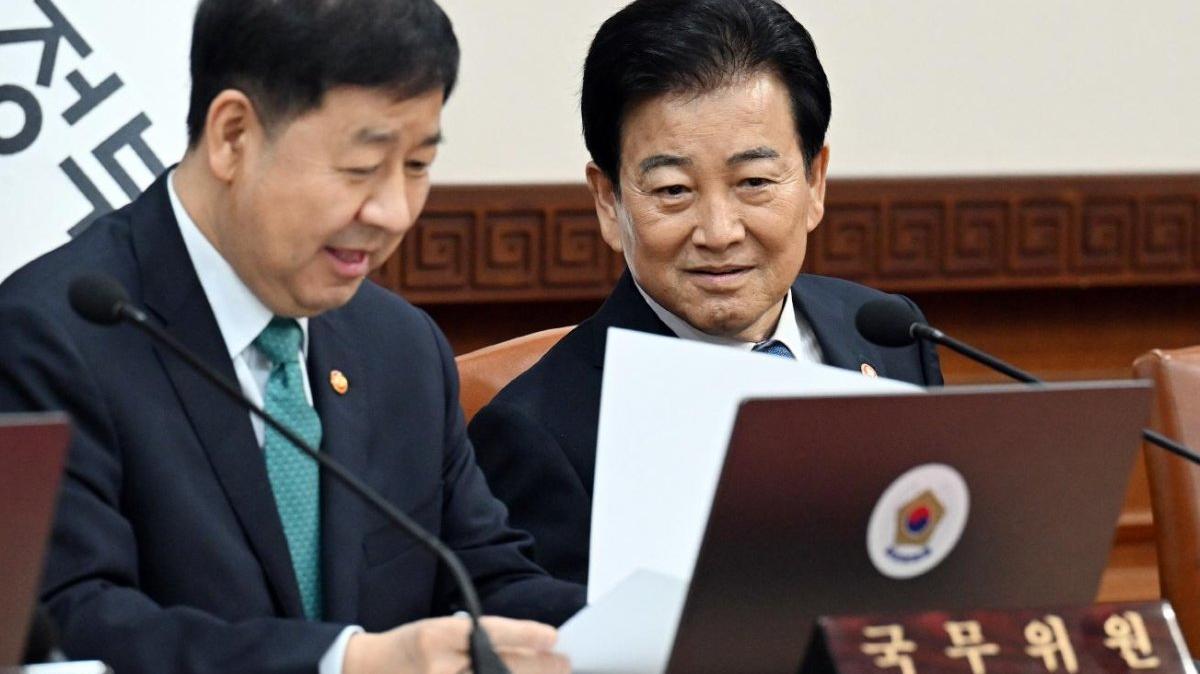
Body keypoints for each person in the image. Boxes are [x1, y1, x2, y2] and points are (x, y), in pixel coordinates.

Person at [0, 1, 582, 672]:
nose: (394, 212)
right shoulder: (53, 335)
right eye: (361, 168)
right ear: (233, 136)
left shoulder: (401, 347)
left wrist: (648, 630)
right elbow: (72, 622)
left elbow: (487, 582)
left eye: (418, 165)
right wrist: (346, 663)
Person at [468, 0, 945, 586]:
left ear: (815, 182)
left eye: (754, 182)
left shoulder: (892, 337)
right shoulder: (537, 433)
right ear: (609, 203)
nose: (719, 233)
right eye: (673, 190)